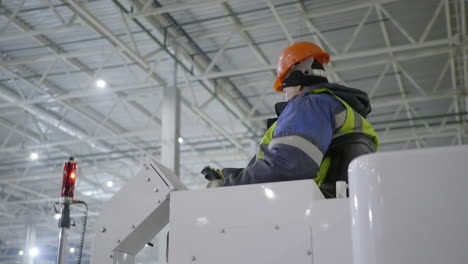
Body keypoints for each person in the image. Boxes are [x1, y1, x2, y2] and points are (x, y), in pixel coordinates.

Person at [202, 41, 379, 198]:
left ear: (297, 80)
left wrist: (228, 185)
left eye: (284, 88)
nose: (285, 96)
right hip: (334, 206)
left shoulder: (309, 105)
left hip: (309, 209)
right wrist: (230, 175)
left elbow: (288, 166)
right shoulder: (337, 107)